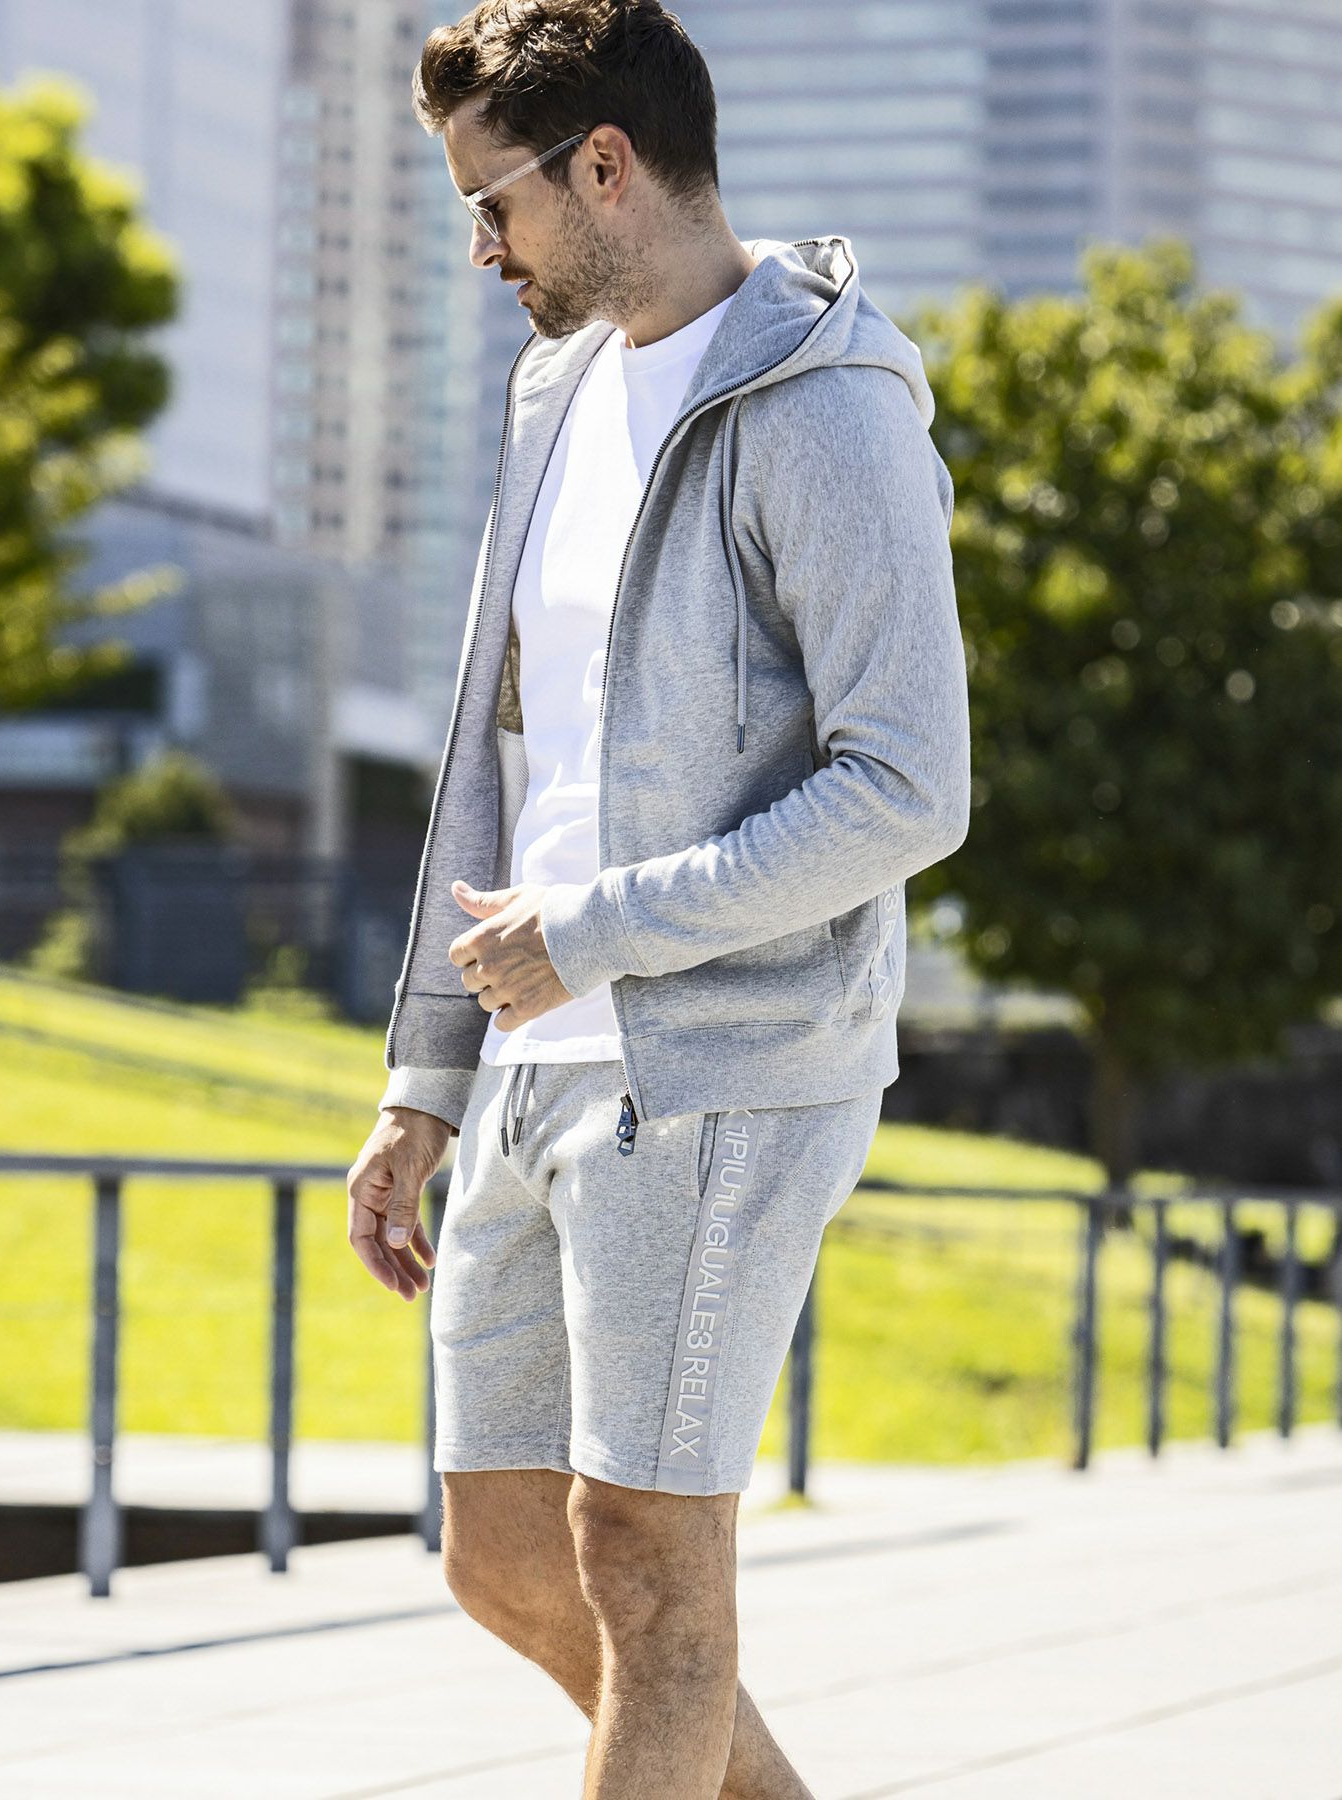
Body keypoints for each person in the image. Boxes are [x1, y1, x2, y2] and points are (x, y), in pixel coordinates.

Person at [345, 4, 971, 1795]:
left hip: (724, 1062)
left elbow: (908, 786)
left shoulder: (824, 401)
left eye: (496, 204)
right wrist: (424, 1081)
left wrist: (596, 934)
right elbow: (493, 748)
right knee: (503, 1549)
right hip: (535, 1055)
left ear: (604, 164)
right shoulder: (556, 391)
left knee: (647, 1556)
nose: (484, 248)